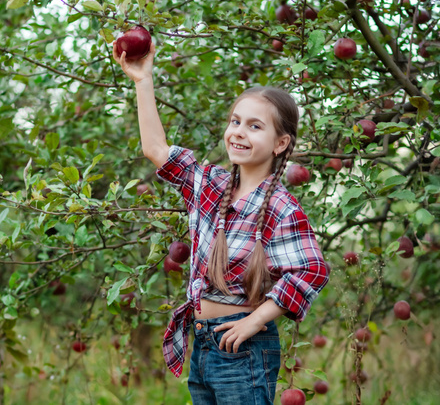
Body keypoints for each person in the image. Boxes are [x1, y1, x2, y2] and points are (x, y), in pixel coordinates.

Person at [113, 40, 329, 405]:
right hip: (204, 342)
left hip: (243, 347)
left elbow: (312, 271)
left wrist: (256, 320)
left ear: (280, 143)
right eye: (235, 121)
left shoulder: (280, 207)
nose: (239, 132)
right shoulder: (210, 185)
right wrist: (142, 80)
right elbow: (156, 150)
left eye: (255, 126)